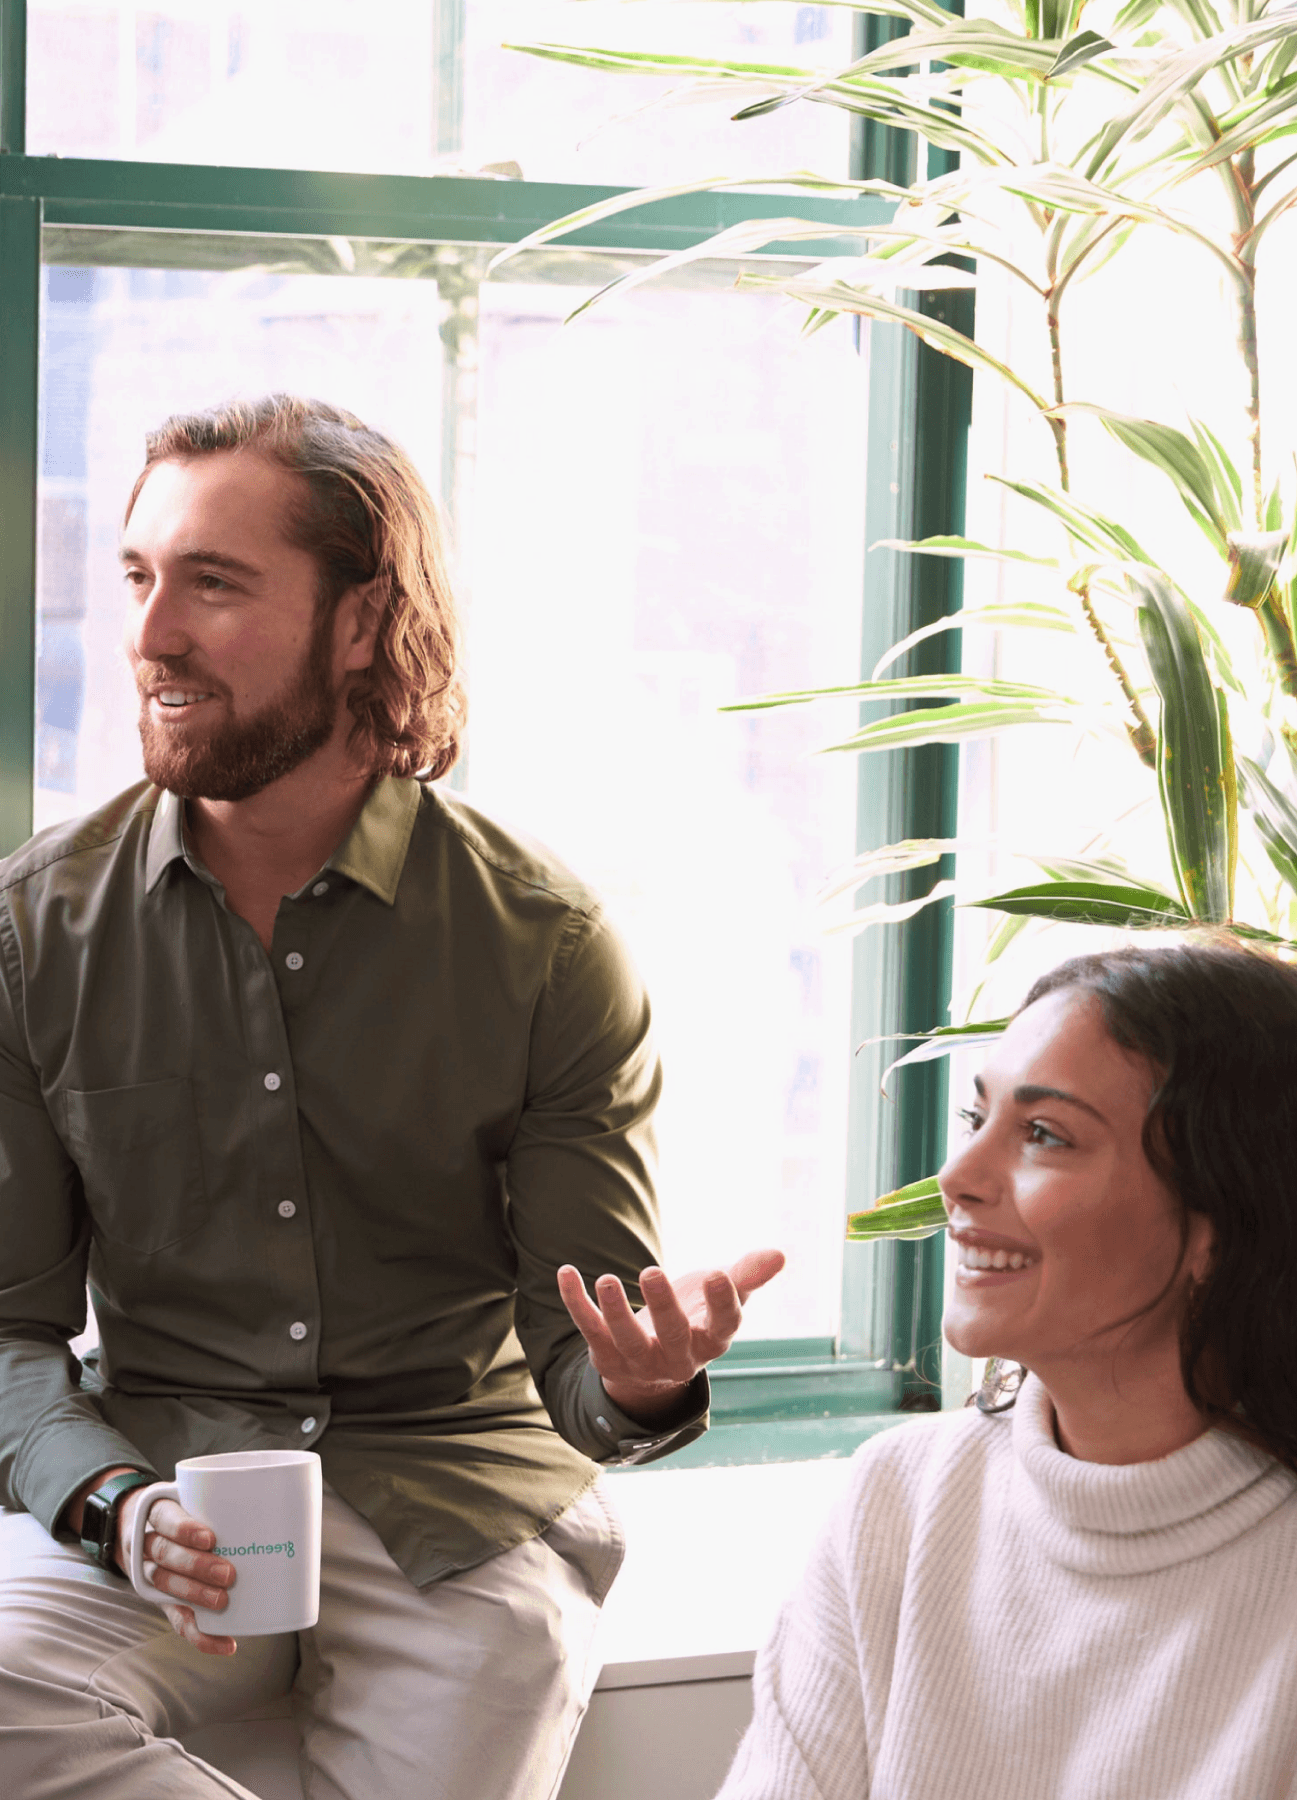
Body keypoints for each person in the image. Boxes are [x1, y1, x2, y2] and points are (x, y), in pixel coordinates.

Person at [0, 394, 783, 1800]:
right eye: (139, 577)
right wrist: (112, 1504)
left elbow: (578, 1352)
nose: (150, 632)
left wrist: (637, 1381)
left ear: (363, 622)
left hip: (457, 1511)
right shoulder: (30, 932)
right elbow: (6, 1328)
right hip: (171, 1489)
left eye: (213, 582)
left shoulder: (541, 940)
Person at [718, 939, 1297, 1800]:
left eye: (1045, 1135)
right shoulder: (898, 1503)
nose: (957, 1176)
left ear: (1227, 1219)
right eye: (975, 1121)